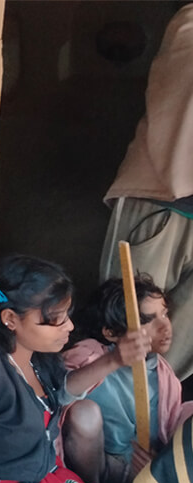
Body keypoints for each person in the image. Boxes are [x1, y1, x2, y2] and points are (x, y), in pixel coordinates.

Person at [0, 255, 150, 483]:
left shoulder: (37, 357)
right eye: (55, 320)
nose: (70, 327)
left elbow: (60, 394)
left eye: (66, 315)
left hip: (39, 480)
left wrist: (115, 359)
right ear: (10, 319)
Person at [99, 3, 193, 382]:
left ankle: (157, 424)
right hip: (159, 198)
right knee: (129, 325)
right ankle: (112, 426)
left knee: (178, 345)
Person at [61, 274, 193, 483]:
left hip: (144, 469)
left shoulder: (162, 372)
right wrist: (114, 361)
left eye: (164, 314)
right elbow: (60, 393)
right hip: (99, 469)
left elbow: (170, 423)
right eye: (147, 320)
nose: (165, 326)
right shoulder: (90, 354)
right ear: (111, 333)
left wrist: (160, 466)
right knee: (84, 413)